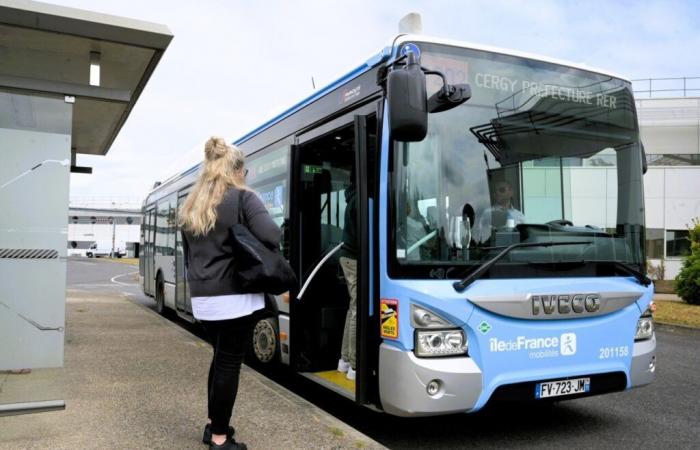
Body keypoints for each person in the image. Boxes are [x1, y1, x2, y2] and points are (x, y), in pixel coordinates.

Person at [180, 137, 281, 450]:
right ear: (238, 170)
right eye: (245, 171)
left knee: (219, 357)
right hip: (233, 298)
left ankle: (213, 425)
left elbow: (188, 255)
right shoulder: (242, 198)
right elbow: (272, 235)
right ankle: (221, 440)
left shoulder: (192, 204)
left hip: (203, 300)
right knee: (228, 364)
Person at [338, 172, 358, 381]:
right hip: (355, 258)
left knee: (354, 307)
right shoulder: (360, 199)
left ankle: (345, 360)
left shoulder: (352, 197)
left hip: (349, 257)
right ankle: (354, 364)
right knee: (358, 308)